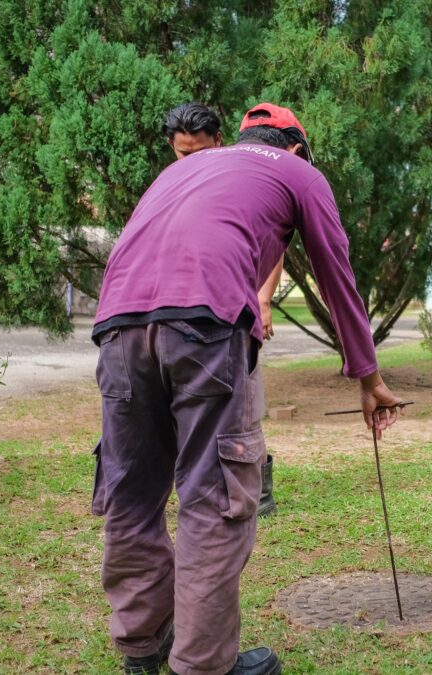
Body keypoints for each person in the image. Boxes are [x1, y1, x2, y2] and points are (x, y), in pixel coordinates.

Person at [92, 102, 402, 675]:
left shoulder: (179, 171)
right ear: (297, 148)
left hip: (115, 329)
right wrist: (370, 377)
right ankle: (205, 664)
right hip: (204, 329)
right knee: (216, 500)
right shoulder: (298, 173)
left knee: (131, 490)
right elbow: (338, 276)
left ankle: (141, 646)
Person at [162, 102, 283, 517]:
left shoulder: (238, 180)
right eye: (183, 153)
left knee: (245, 401)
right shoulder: (170, 187)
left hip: (235, 316)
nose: (192, 161)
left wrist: (263, 301)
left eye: (201, 151)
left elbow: (275, 241)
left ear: (219, 141)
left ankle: (259, 488)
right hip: (185, 318)